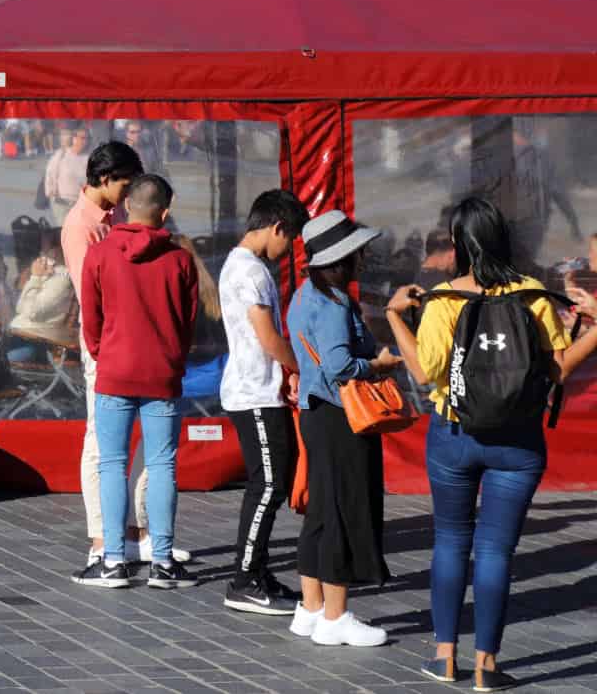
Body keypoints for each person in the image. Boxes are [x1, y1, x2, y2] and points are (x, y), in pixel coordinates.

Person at [384, 198, 597, 688]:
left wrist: (397, 318)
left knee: (451, 542)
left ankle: (444, 657)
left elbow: (424, 371)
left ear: (458, 244)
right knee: (497, 548)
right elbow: (559, 370)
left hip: (454, 434)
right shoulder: (533, 295)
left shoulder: (442, 300)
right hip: (518, 442)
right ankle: (487, 667)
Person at [78, 173, 201, 590]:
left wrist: (102, 352)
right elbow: (187, 324)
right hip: (162, 373)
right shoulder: (181, 260)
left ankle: (113, 560)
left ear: (126, 205)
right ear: (165, 211)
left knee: (112, 464)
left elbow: (90, 319)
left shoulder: (99, 253)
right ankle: (162, 562)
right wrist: (172, 359)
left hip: (114, 370)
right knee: (163, 465)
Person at [286, 209, 403, 647]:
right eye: (356, 252)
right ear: (340, 260)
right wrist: (379, 363)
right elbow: (339, 366)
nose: (363, 259)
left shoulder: (302, 296)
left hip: (318, 415)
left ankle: (312, 607)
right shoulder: (334, 303)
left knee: (320, 512)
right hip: (342, 417)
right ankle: (334, 616)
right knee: (341, 512)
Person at [62, 139, 162, 581]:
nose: (130, 192)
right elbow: (94, 296)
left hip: (132, 336)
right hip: (104, 340)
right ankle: (102, 540)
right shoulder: (80, 225)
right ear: (105, 179)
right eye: (125, 183)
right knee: (100, 440)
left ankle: (133, 529)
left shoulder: (114, 215)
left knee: (152, 429)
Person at [217, 189, 308, 616]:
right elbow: (267, 336)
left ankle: (258, 572)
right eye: (289, 239)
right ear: (276, 228)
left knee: (270, 482)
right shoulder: (251, 271)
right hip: (254, 392)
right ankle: (244, 580)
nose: (288, 250)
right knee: (268, 484)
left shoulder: (241, 265)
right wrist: (298, 369)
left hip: (256, 389)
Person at [4, 239, 77, 362]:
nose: (41, 254)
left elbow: (32, 312)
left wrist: (36, 277)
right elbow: (20, 307)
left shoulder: (61, 281)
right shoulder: (48, 277)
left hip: (33, 342)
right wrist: (37, 278)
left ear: (56, 251)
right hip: (19, 336)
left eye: (45, 250)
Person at [43, 127, 91, 218]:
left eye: (86, 139)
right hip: (61, 202)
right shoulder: (62, 154)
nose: (84, 141)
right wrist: (50, 191)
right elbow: (50, 173)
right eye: (82, 138)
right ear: (73, 138)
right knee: (63, 229)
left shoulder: (88, 158)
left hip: (79, 203)